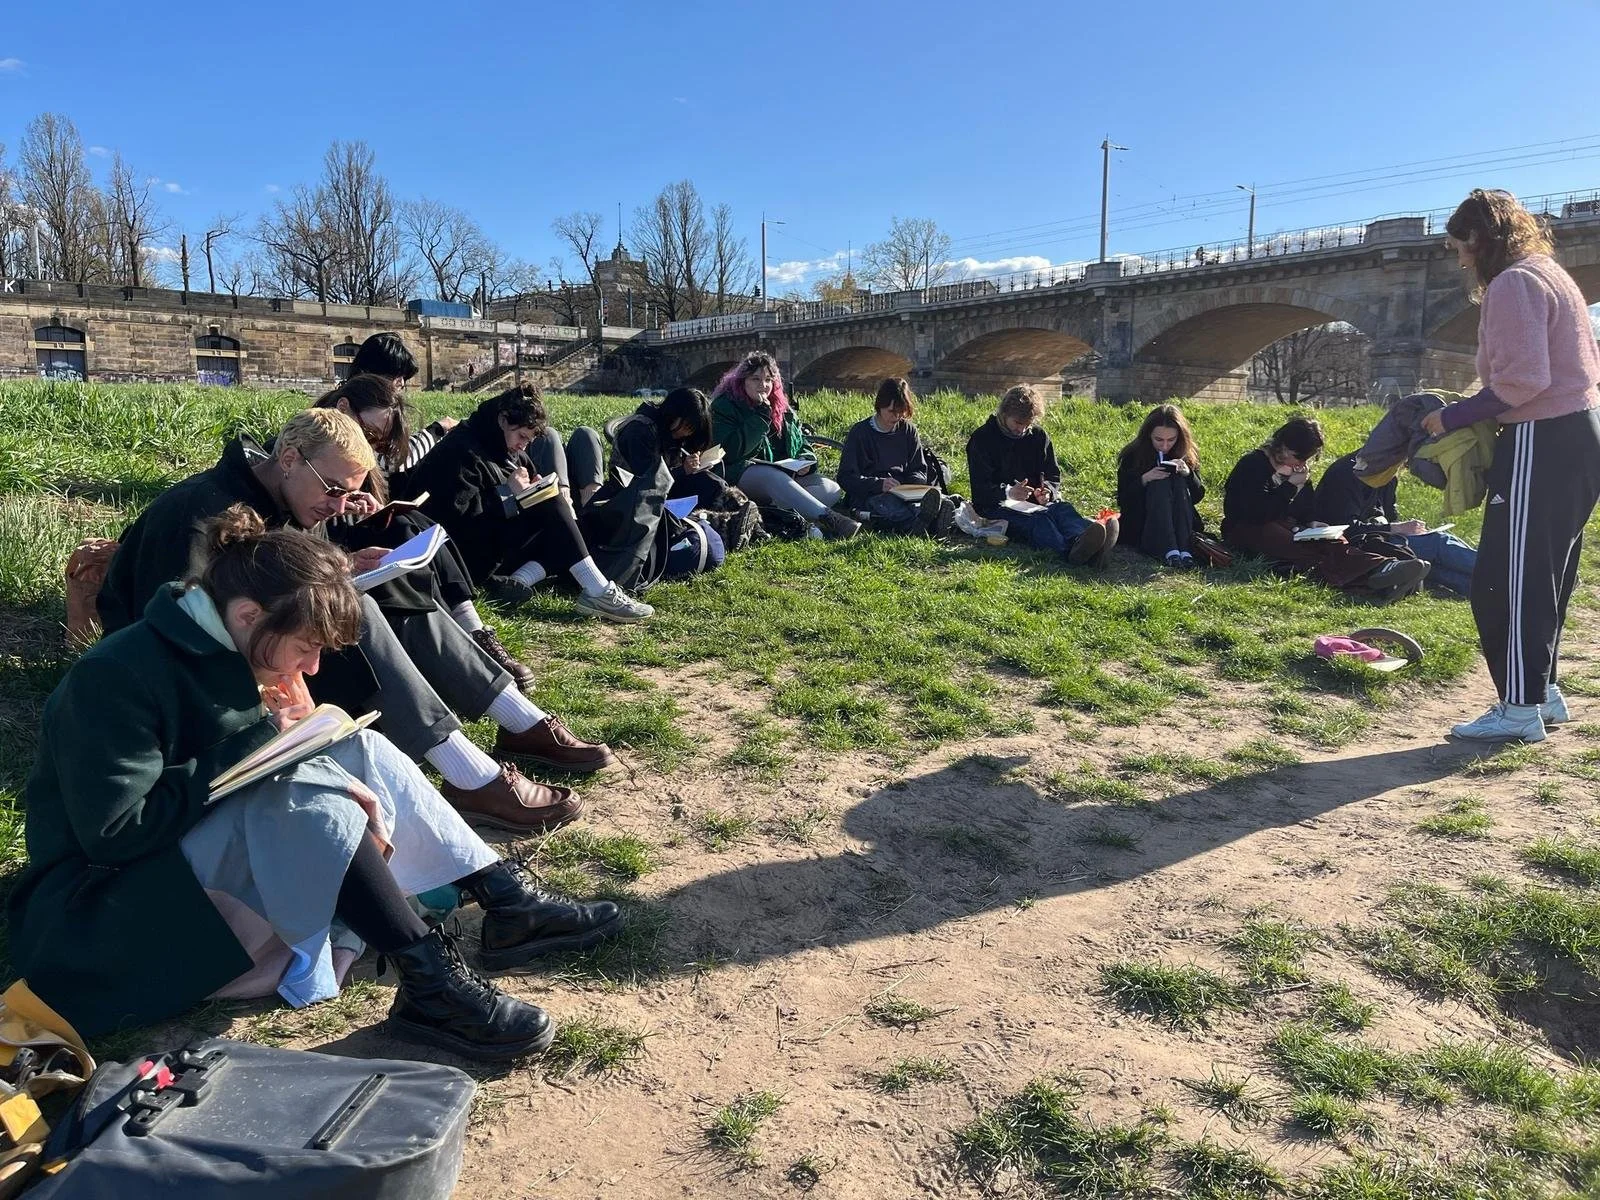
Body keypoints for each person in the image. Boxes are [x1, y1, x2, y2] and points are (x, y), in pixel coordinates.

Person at [10, 508, 621, 1059]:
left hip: (182, 871)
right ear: (247, 614)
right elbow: (114, 836)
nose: (313, 667)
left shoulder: (232, 646)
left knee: (360, 748)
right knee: (294, 789)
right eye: (305, 647)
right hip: (102, 916)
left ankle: (505, 901)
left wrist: (278, 742)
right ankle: (431, 982)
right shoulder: (113, 679)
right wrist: (259, 746)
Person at [97, 408, 610, 833]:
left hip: (267, 641)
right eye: (334, 490)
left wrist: (344, 561)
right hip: (205, 667)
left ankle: (517, 720)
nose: (339, 505)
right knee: (350, 610)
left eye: (348, 493)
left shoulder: (287, 498)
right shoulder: (200, 513)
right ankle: (469, 774)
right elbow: (172, 618)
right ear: (290, 458)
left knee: (386, 582)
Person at [1421, 189, 1600, 742]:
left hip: (1540, 439)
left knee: (1504, 579)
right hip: (1580, 433)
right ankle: (1541, 693)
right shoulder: (1550, 273)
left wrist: (1452, 419)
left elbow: (1523, 381)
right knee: (1544, 574)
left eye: (1459, 247)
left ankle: (1518, 711)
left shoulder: (1512, 283)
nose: (1459, 260)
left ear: (1478, 238)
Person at [315, 374, 534, 690]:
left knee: (415, 522)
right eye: (369, 433)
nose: (370, 444)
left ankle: (470, 630)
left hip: (348, 535)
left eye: (378, 442)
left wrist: (364, 506)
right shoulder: (311, 444)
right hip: (331, 551)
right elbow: (305, 522)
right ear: (344, 406)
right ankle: (463, 638)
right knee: (406, 526)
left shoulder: (352, 449)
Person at [402, 385, 654, 622]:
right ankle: (598, 591)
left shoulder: (504, 447)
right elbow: (454, 518)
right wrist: (509, 494)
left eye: (529, 440)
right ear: (502, 420)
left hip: (492, 541)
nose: (524, 445)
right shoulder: (459, 449)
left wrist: (529, 492)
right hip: (461, 554)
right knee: (552, 505)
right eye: (522, 436)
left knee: (574, 526)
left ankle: (518, 580)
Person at [1221, 416, 1431, 600]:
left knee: (1334, 542)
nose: (1300, 464)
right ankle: (1378, 575)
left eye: (1305, 459)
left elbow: (1305, 508)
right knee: (1305, 551)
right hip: (1246, 528)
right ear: (1282, 446)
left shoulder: (1297, 471)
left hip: (1287, 526)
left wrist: (1313, 522)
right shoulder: (1253, 464)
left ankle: (1382, 571)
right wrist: (1290, 486)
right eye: (1298, 457)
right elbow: (1256, 513)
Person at [570, 387, 737, 590]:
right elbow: (648, 482)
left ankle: (730, 518)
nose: (685, 433)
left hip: (663, 492)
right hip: (632, 499)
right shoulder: (639, 430)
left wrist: (691, 464)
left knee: (713, 484)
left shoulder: (672, 435)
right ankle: (718, 526)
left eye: (690, 430)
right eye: (684, 427)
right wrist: (682, 470)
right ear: (672, 414)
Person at [709, 351, 861, 540]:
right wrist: (760, 417)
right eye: (755, 379)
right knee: (772, 476)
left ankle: (777, 515)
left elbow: (802, 443)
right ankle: (831, 519)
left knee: (831, 487)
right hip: (743, 474)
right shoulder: (725, 406)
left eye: (768, 380)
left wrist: (806, 460)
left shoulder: (782, 408)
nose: (763, 386)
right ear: (742, 381)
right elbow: (731, 451)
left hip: (786, 477)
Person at [965, 384, 1117, 564]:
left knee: (1063, 510)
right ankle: (1072, 552)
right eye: (1018, 423)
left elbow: (1052, 475)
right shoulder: (982, 439)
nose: (1021, 430)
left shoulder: (1038, 436)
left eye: (1027, 424)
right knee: (1039, 522)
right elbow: (980, 490)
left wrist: (1048, 491)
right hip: (995, 506)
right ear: (1004, 414)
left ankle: (1083, 541)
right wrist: (1008, 492)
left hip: (1033, 503)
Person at [1312, 449, 1477, 595]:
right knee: (1438, 542)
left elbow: (1390, 515)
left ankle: (1486, 589)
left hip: (1379, 536)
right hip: (1359, 543)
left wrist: (1408, 528)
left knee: (1434, 561)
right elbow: (1348, 528)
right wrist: (1396, 528)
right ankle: (1497, 571)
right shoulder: (1347, 474)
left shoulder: (1387, 475)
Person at [837, 377, 958, 537]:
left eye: (901, 413)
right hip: (872, 493)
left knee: (921, 502)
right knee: (888, 507)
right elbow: (846, 477)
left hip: (904, 491)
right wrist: (878, 484)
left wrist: (913, 485)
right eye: (891, 412)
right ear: (880, 406)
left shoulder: (908, 430)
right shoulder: (860, 433)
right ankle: (927, 525)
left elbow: (919, 468)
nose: (896, 417)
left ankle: (927, 521)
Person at [348, 332, 457, 492]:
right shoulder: (354, 407)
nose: (401, 383)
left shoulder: (358, 400)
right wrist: (437, 430)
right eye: (396, 375)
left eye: (404, 377)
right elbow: (389, 462)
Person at [1115, 402, 1207, 567]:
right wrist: (1145, 479)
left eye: (1171, 440)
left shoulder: (1187, 454)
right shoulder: (1133, 456)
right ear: (1148, 435)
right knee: (1159, 483)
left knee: (1178, 480)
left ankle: (1183, 549)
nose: (1165, 446)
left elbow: (1198, 495)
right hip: (1143, 520)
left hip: (1180, 517)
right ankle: (1167, 547)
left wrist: (1188, 474)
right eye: (1158, 439)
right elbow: (1123, 500)